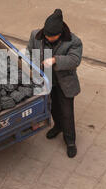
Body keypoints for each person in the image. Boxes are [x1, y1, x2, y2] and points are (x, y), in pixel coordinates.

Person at [26, 9, 83, 158]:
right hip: (46, 81)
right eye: (47, 36)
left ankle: (70, 141)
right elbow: (29, 52)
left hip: (65, 83)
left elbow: (74, 60)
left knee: (67, 113)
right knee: (52, 107)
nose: (48, 38)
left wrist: (55, 60)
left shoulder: (73, 42)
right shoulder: (35, 36)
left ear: (60, 33)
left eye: (52, 37)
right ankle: (58, 126)